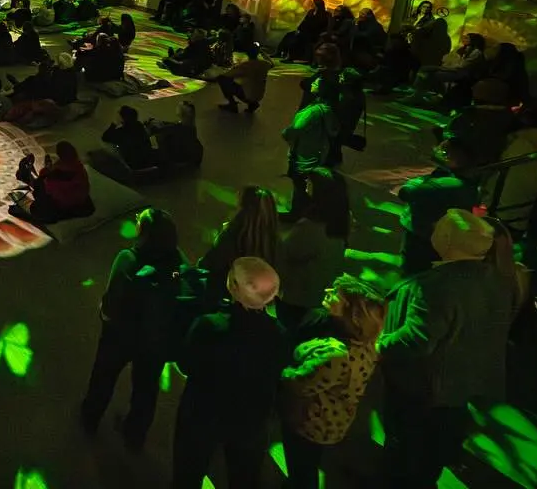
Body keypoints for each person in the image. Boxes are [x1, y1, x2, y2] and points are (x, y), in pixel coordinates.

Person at [380, 209, 515, 488]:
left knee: (408, 454)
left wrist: (377, 344)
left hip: (427, 390)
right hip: (462, 385)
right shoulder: (498, 279)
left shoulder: (436, 287)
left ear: (446, 240)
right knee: (434, 452)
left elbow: (415, 341)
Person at [171, 257, 289, 489]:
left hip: (202, 414)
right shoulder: (280, 334)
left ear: (234, 287)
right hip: (250, 420)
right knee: (244, 479)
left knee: (188, 474)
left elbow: (185, 364)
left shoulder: (209, 326)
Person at [79, 208, 187, 444]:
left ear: (145, 232)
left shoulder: (128, 259)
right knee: (146, 389)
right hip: (156, 340)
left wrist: (104, 315)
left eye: (140, 220)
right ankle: (135, 433)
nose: (136, 220)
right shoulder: (178, 261)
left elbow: (112, 301)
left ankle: (90, 417)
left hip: (121, 336)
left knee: (103, 377)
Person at [280, 276, 387, 489]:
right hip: (332, 420)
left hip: (309, 423)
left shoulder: (336, 355)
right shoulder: (366, 341)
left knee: (302, 467)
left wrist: (281, 369)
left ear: (352, 313)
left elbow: (297, 383)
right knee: (309, 461)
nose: (328, 291)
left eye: (337, 294)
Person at [275, 168, 350, 326]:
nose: (306, 184)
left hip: (299, 296)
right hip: (323, 292)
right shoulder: (340, 219)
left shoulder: (310, 226)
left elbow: (288, 253)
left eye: (310, 182)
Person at [396, 140, 482, 274]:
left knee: (415, 273)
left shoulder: (454, 185)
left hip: (424, 239)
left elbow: (407, 192)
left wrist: (418, 182)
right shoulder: (463, 184)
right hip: (442, 238)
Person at [198, 186, 279, 305]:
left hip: (230, 298)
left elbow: (211, 262)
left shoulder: (233, 233)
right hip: (262, 301)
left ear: (244, 207)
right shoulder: (275, 238)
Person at [10, 142, 94, 224]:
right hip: (78, 200)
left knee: (37, 207)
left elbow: (48, 189)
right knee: (41, 183)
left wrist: (46, 172)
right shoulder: (78, 166)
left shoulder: (58, 175)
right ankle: (28, 175)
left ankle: (27, 176)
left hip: (62, 204)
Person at [283, 96, 337, 216]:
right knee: (311, 179)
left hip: (304, 153)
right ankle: (312, 206)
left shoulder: (311, 112)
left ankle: (297, 211)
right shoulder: (327, 110)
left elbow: (296, 128)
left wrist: (286, 134)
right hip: (318, 151)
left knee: (299, 180)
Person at [211, 45, 273, 113]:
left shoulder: (246, 65)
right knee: (249, 85)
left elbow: (226, 75)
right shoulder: (265, 64)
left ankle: (232, 104)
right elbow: (272, 63)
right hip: (259, 95)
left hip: (248, 95)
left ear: (247, 53)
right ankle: (252, 104)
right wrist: (263, 53)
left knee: (222, 79)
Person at [98, 105, 157, 174]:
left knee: (108, 149)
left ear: (122, 118)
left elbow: (105, 137)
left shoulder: (120, 132)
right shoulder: (139, 126)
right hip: (150, 162)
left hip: (135, 166)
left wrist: (115, 123)